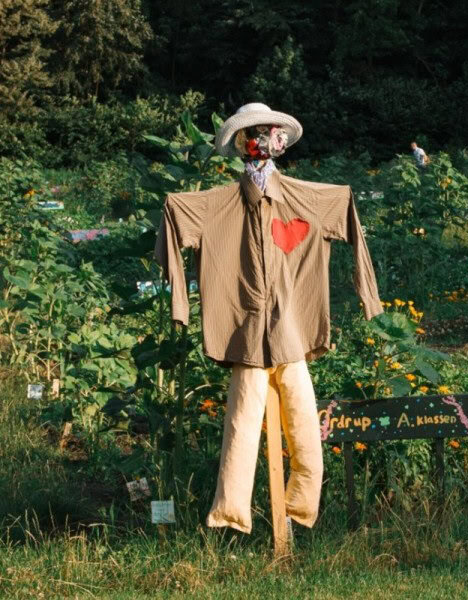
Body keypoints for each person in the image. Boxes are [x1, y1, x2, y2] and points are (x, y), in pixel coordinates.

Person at [155, 102, 384, 534]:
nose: (262, 142)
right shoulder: (215, 204)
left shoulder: (305, 198)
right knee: (242, 422)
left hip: (293, 326)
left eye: (268, 134)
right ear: (243, 143)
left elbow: (347, 208)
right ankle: (230, 511)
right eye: (254, 135)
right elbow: (173, 213)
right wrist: (180, 308)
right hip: (241, 328)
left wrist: (367, 296)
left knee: (301, 417)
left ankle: (302, 506)